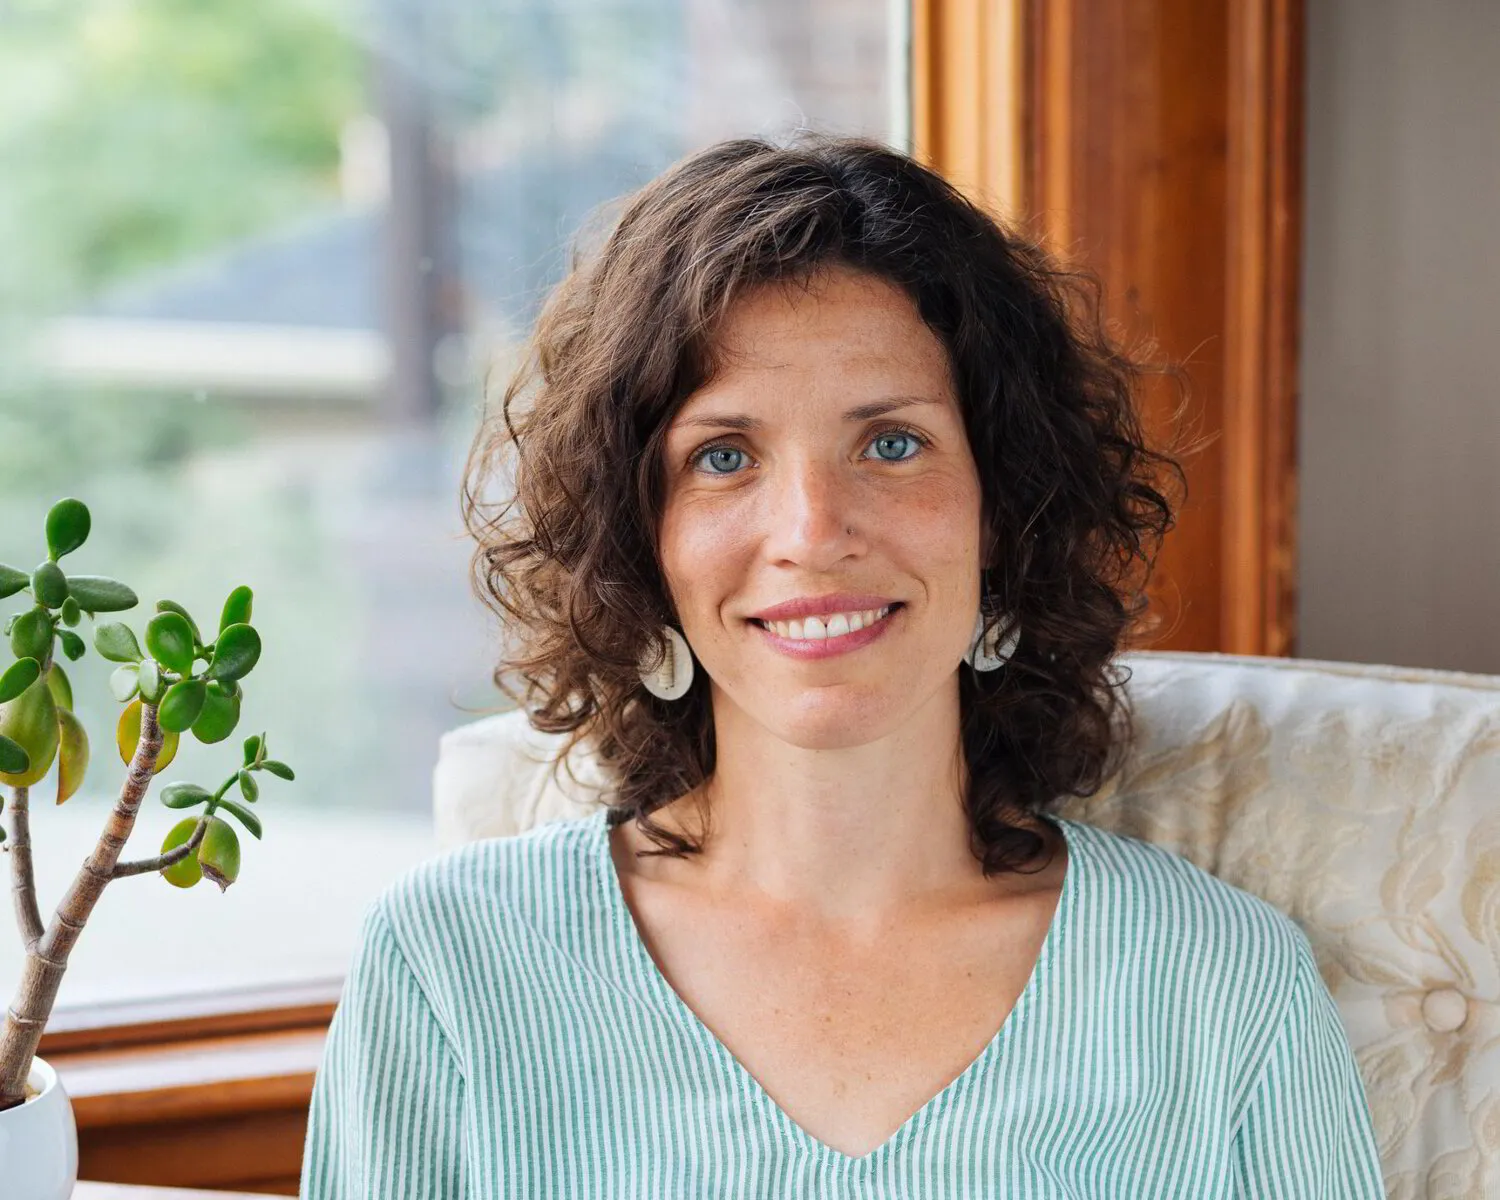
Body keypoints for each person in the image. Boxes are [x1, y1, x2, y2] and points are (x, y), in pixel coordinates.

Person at [299, 132, 1386, 1197]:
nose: (813, 532)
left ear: (1004, 509)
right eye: (724, 457)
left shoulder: (1220, 987)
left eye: (891, 443)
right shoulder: (449, 970)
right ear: (641, 542)